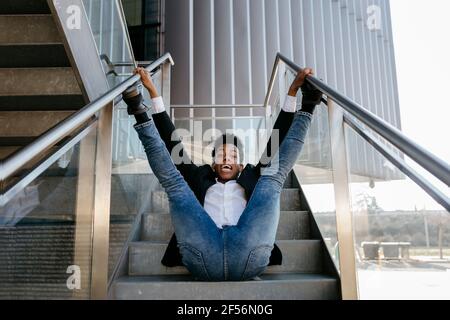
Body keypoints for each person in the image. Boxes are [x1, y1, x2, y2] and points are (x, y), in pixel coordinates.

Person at [122, 67, 322, 281]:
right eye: (221, 155)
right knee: (175, 184)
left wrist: (292, 91)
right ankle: (139, 112)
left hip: (249, 254)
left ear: (241, 166)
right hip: (202, 254)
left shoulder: (252, 176)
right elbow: (173, 143)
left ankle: (308, 105)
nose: (226, 158)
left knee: (273, 177)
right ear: (214, 165)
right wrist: (153, 92)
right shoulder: (199, 177)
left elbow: (277, 137)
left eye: (233, 155)